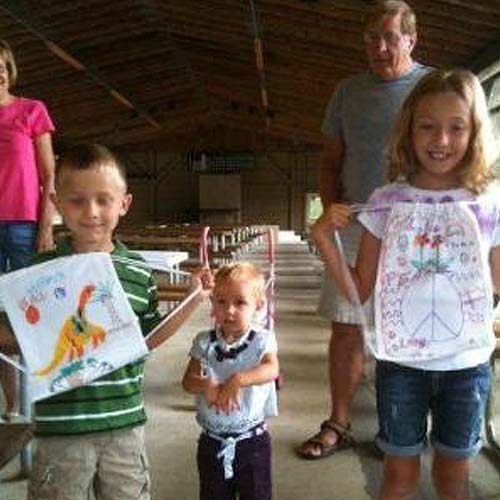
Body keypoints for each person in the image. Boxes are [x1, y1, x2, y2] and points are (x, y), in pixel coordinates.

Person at [311, 68, 499, 500]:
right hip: (401, 365)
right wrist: (323, 238)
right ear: (408, 130)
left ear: (474, 133)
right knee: (399, 476)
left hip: (466, 366)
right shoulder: (385, 201)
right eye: (428, 126)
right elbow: (359, 291)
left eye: (457, 127)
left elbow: (497, 283)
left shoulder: (487, 205)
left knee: (454, 478)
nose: (441, 140)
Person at [297, 0, 431, 459]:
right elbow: (331, 160)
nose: (379, 47)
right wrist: (331, 208)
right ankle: (338, 421)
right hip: (356, 222)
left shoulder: (431, 87)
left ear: (411, 39)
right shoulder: (347, 92)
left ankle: (403, 426)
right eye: (371, 39)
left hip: (415, 227)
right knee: (347, 326)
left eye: (389, 38)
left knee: (412, 326)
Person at [26, 144, 163, 500]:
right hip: (60, 429)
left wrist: (194, 300)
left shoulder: (138, 273)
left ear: (124, 204)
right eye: (77, 200)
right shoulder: (36, 275)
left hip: (124, 424)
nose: (91, 212)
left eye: (104, 200)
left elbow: (149, 338)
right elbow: (13, 336)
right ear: (56, 203)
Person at [183, 262, 279, 500]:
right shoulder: (204, 342)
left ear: (258, 305)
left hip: (252, 442)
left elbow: (271, 369)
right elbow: (188, 382)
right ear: (212, 303)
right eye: (221, 302)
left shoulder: (262, 340)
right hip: (212, 441)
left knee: (257, 494)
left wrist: (238, 380)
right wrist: (208, 385)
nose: (230, 310)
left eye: (240, 302)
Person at [0, 39, 56, 419]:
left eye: (2, 64)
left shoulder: (31, 111)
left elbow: (49, 174)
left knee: (29, 312)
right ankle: (12, 406)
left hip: (23, 226)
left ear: (10, 70)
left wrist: (45, 226)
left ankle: (41, 397)